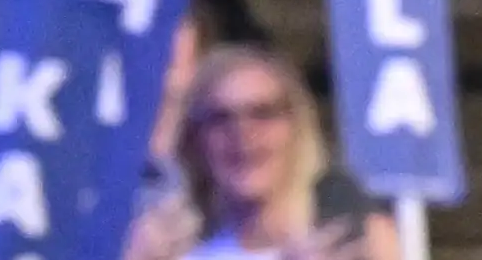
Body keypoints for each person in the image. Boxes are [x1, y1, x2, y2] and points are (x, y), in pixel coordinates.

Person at [168, 46, 398, 260]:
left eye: (262, 113)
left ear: (296, 126)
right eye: (220, 118)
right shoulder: (176, 252)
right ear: (195, 139)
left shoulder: (363, 240)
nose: (242, 133)